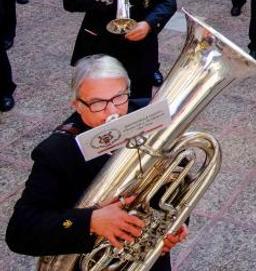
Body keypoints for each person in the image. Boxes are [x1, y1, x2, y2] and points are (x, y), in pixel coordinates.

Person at [5, 55, 186, 271]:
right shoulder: (57, 152)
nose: (112, 112)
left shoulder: (147, 117)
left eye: (119, 97)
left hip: (151, 259)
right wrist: (90, 221)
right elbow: (20, 231)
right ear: (77, 105)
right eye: (97, 103)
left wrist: (174, 224)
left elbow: (178, 180)